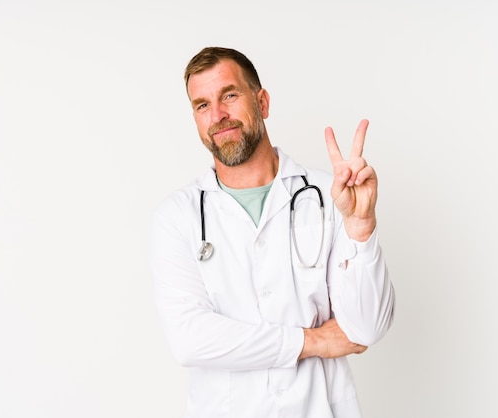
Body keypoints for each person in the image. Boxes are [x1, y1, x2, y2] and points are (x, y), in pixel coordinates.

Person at [151, 46, 395, 418]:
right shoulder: (179, 215)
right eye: (202, 105)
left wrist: (361, 227)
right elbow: (190, 340)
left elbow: (365, 329)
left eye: (229, 95)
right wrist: (311, 341)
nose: (218, 115)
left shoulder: (331, 196)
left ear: (262, 102)